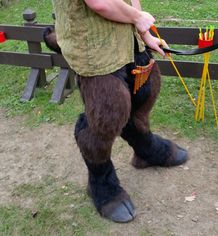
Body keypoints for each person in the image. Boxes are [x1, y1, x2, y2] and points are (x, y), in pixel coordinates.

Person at [45, 0, 188, 223]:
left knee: (144, 91)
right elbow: (99, 3)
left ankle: (145, 149)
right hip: (93, 47)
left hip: (128, 40)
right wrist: (138, 18)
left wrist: (145, 33)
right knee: (107, 113)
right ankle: (101, 182)